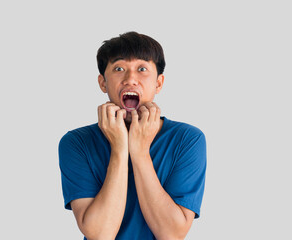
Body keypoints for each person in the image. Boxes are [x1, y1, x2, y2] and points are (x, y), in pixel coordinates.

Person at [58, 31, 207, 240]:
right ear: (103, 83)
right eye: (119, 69)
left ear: (158, 83)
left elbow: (172, 234)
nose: (130, 79)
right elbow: (100, 234)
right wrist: (119, 148)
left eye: (142, 69)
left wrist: (139, 151)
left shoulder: (188, 139)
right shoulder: (76, 143)